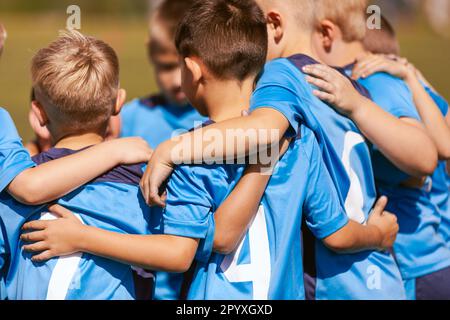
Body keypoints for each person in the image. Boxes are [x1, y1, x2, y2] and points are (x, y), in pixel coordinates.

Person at [21, 0, 399, 300]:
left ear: (192, 70)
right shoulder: (301, 141)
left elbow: (205, 243)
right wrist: (378, 236)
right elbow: (335, 234)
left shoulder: (188, 153)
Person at [310, 0, 450, 299]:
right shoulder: (411, 89)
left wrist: (409, 77)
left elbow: (436, 153)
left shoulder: (380, 84)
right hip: (426, 257)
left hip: (415, 263)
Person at [3, 31, 154, 300]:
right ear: (119, 102)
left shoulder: (12, 192)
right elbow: (181, 251)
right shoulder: (150, 186)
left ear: (38, 114)